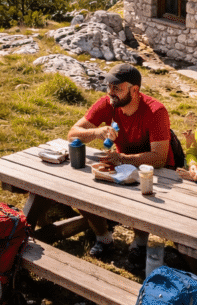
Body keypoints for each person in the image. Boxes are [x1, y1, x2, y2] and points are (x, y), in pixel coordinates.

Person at [67, 63, 173, 264]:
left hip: (157, 173)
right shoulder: (107, 104)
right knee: (79, 187)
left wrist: (123, 158)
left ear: (135, 90)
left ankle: (140, 243)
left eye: (117, 88)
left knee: (142, 195)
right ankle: (103, 237)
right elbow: (72, 134)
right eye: (109, 86)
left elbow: (159, 157)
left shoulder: (156, 111)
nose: (110, 92)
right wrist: (96, 132)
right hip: (121, 167)